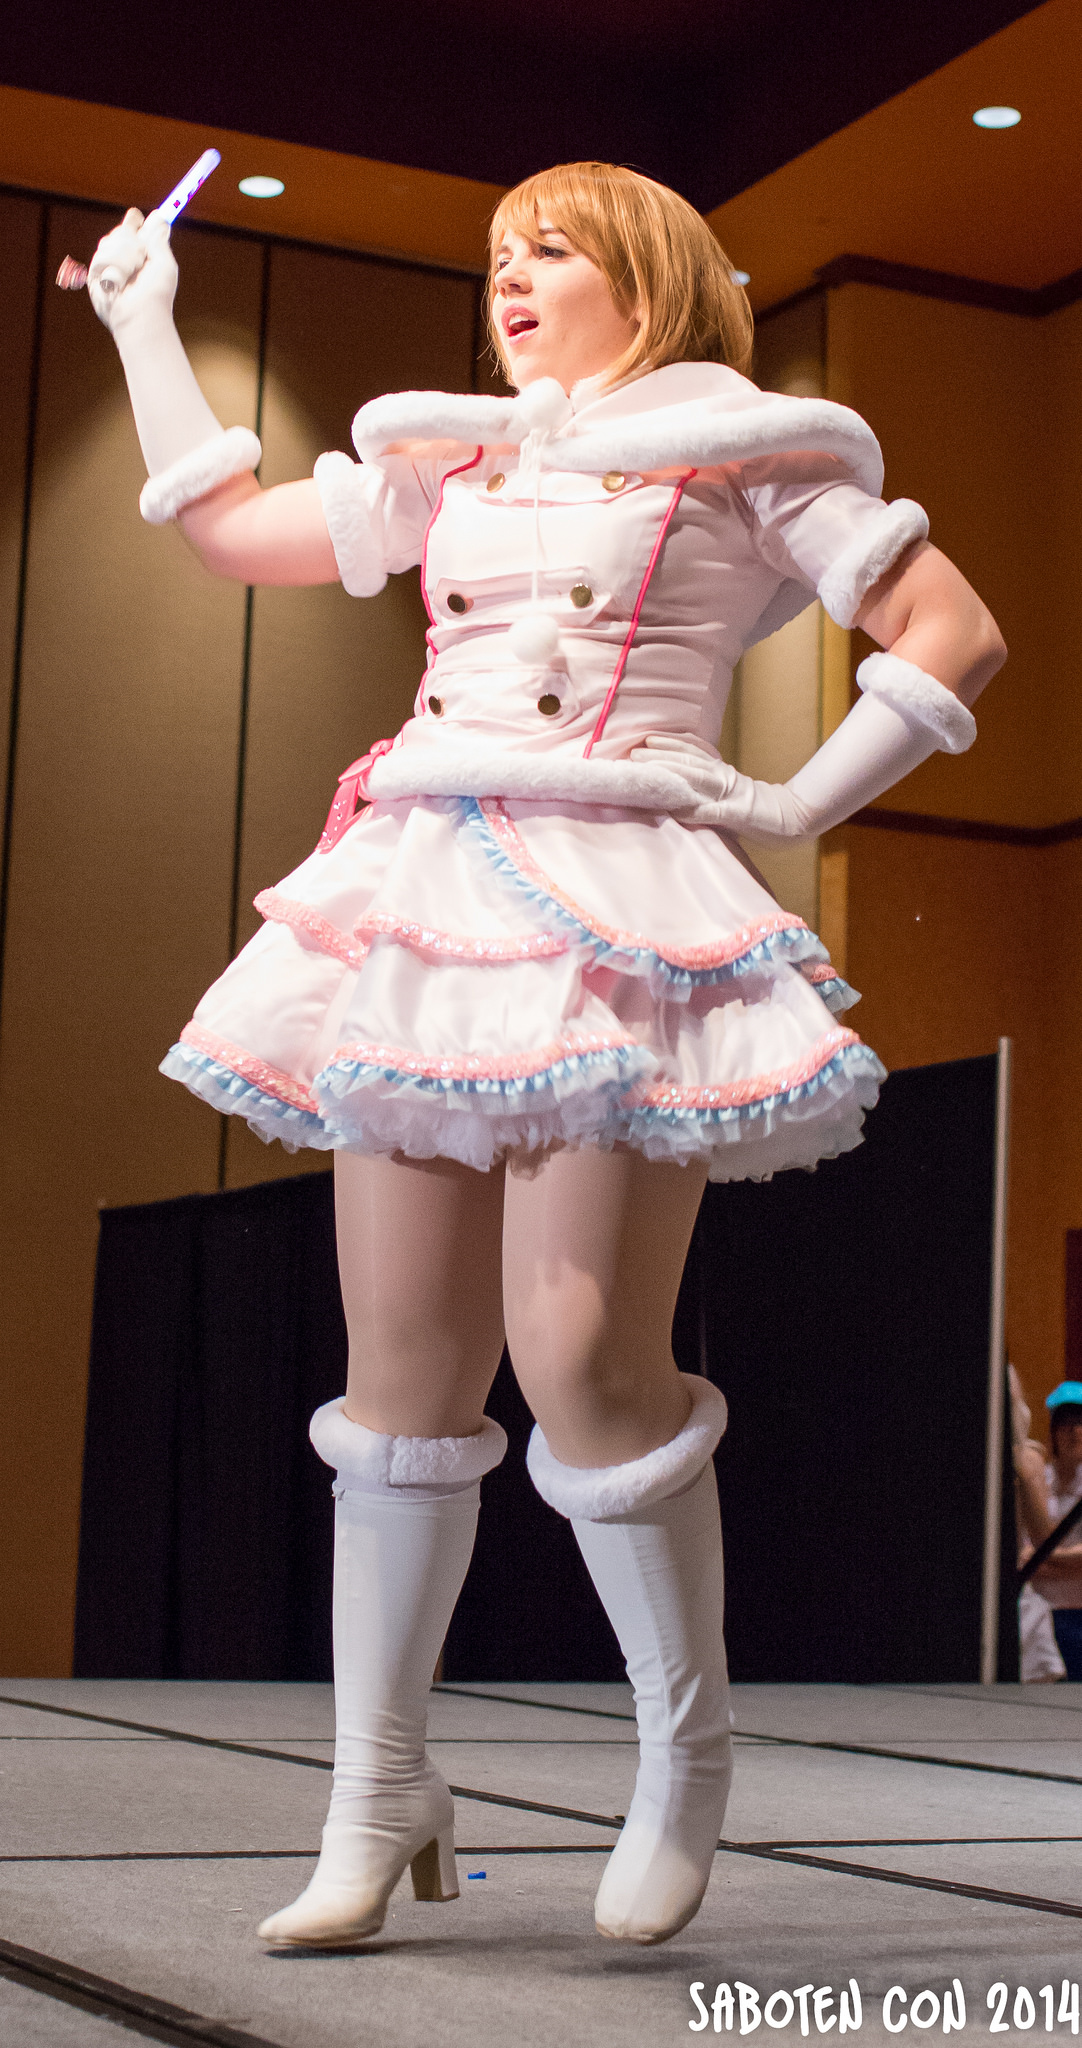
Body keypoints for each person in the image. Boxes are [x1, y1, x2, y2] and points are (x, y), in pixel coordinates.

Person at [84, 160, 1005, 1949]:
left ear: (645, 272)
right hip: (427, 893)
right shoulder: (462, 455)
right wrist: (142, 323)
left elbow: (949, 629)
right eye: (497, 254)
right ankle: (377, 1795)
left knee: (582, 1356)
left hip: (618, 902)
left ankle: (684, 1755)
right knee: (399, 1380)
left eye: (550, 248)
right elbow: (234, 532)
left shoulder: (740, 447)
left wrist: (788, 801)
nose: (509, 280)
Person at [1022, 1382, 1082, 1678]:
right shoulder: (1036, 1482)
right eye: (1066, 1424)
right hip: (1042, 1617)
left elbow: (1033, 1558)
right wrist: (1070, 1561)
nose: (1075, 1432)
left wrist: (1046, 1556)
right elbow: (1022, 1558)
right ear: (1053, 1431)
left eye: (1081, 1423)